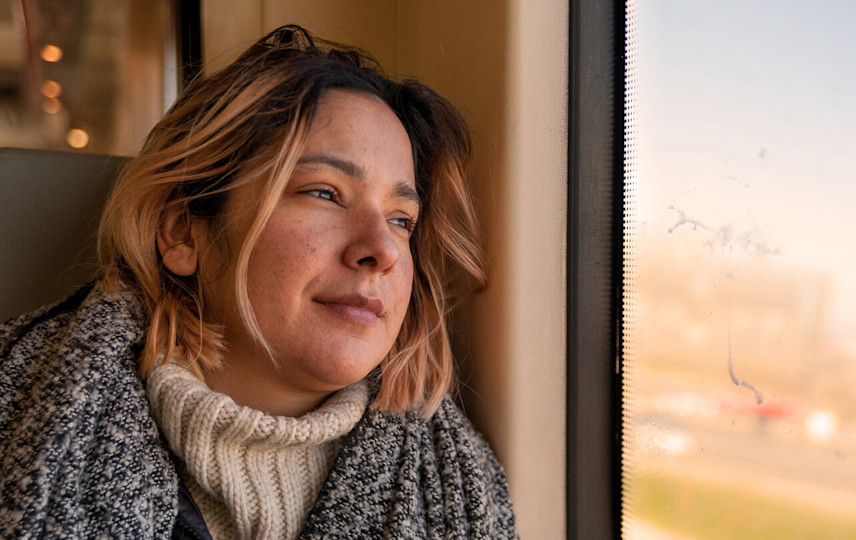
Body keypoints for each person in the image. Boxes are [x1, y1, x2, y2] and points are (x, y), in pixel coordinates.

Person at [0, 25, 517, 539]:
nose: (382, 251)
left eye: (402, 220)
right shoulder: (16, 413)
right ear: (183, 231)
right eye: (324, 193)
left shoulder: (464, 487)